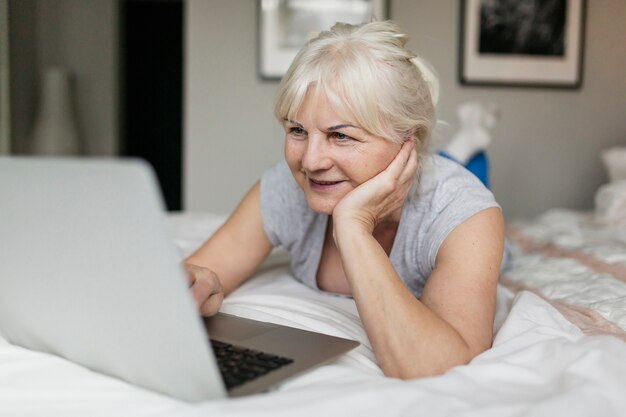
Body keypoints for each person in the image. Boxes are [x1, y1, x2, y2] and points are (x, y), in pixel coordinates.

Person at [184, 21, 505, 379]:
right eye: (297, 130)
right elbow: (198, 274)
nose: (310, 161)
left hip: (443, 188)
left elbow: (436, 366)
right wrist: (200, 282)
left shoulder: (463, 212)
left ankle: (469, 148)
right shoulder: (288, 188)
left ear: (405, 142)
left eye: (340, 135)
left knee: (459, 172)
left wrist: (352, 228)